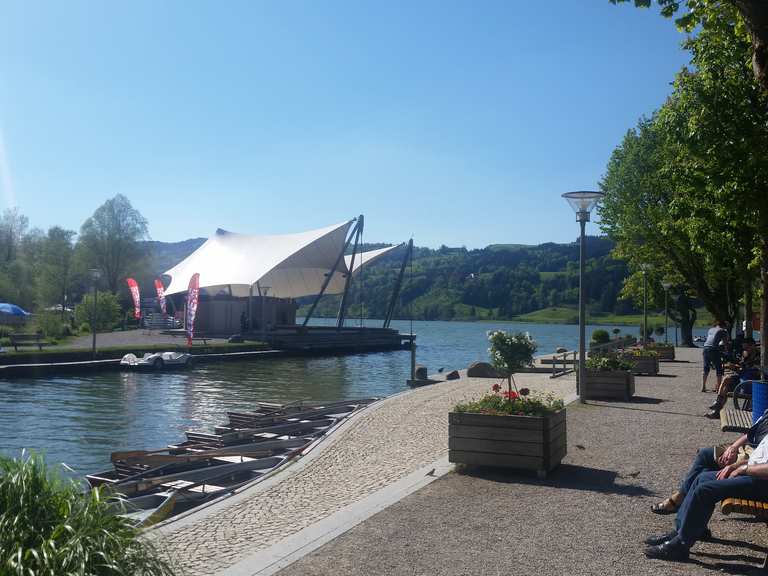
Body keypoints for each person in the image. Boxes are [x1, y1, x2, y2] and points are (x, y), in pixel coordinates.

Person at [645, 420, 768, 561]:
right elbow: (761, 456)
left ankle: (681, 546)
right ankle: (680, 531)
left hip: (762, 483)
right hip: (754, 474)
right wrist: (736, 466)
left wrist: (744, 469)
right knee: (702, 478)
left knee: (705, 490)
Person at [651, 409, 768, 516]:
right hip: (750, 452)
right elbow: (750, 434)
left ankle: (681, 504)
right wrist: (733, 447)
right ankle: (683, 502)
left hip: (754, 463)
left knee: (704, 480)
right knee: (705, 455)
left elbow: (761, 462)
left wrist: (739, 466)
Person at [705, 338, 760, 418]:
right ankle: (717, 404)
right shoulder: (745, 354)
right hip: (743, 379)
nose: (745, 350)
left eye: (747, 347)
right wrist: (734, 367)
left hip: (752, 383)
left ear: (753, 345)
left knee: (727, 386)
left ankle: (717, 409)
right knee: (726, 379)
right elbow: (742, 367)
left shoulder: (760, 355)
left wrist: (739, 368)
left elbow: (754, 369)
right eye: (744, 348)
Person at [701, 320, 729, 392]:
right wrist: (726, 351)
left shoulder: (711, 329)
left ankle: (703, 386)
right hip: (713, 349)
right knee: (718, 368)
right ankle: (719, 388)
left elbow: (711, 339)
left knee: (706, 367)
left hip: (705, 348)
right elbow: (725, 343)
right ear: (724, 325)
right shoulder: (723, 331)